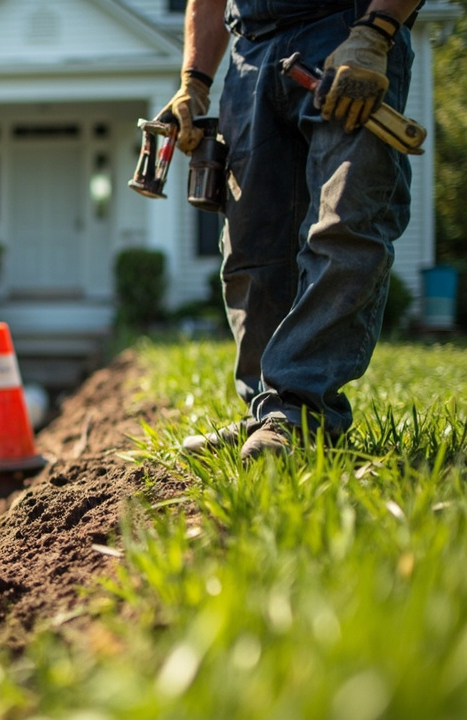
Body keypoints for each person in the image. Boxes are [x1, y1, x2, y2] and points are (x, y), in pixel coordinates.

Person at [169, 0, 421, 460]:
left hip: (346, 32)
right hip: (250, 53)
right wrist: (195, 82)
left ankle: (302, 409)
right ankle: (266, 412)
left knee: (343, 224)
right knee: (251, 243)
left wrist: (376, 30)